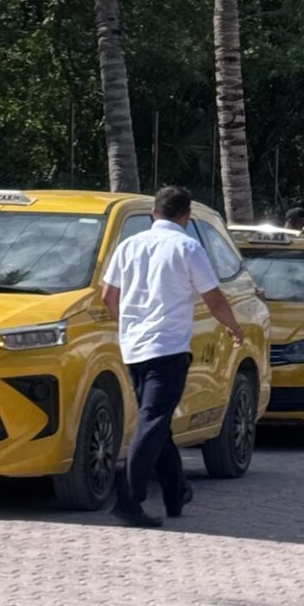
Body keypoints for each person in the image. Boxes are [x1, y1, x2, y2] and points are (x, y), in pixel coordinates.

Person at [101, 185, 244, 528]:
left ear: (154, 212)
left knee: (157, 421)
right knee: (152, 422)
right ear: (186, 215)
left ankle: (176, 490)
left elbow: (108, 295)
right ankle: (129, 500)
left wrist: (127, 325)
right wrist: (234, 328)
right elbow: (214, 298)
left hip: (134, 348)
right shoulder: (187, 246)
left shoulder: (129, 245)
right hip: (168, 348)